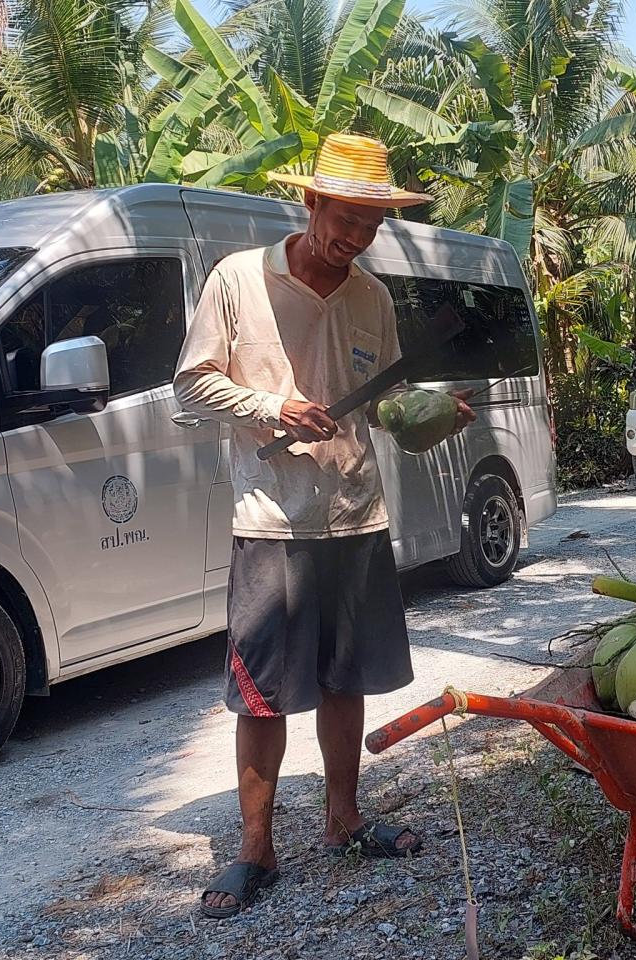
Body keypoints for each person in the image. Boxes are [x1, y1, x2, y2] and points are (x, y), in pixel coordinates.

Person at [173, 133, 475, 919]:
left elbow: (381, 405)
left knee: (347, 680)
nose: (355, 238)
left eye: (370, 225)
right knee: (263, 697)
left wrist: (432, 416)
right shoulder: (239, 280)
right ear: (310, 203)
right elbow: (193, 384)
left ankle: (344, 821)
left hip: (356, 516)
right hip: (274, 521)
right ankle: (255, 851)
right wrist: (273, 408)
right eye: (345, 219)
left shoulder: (370, 296)